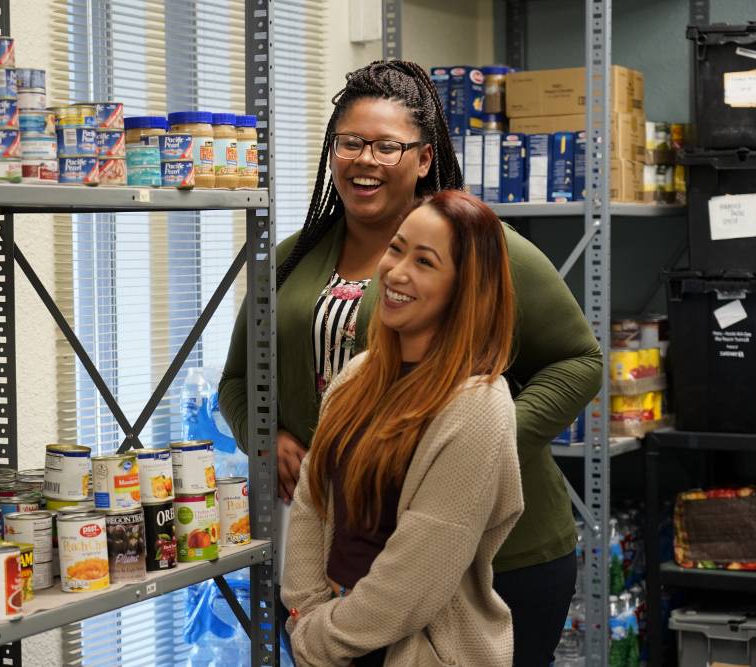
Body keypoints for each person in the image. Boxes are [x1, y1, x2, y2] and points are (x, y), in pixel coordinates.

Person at [219, 60, 603, 666]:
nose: (364, 159)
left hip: (495, 562)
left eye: (387, 146)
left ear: (424, 158)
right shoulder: (292, 258)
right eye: (351, 142)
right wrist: (265, 438)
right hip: (350, 552)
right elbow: (240, 380)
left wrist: (471, 454)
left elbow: (579, 361)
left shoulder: (481, 247)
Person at [283, 189, 522, 667]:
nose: (396, 272)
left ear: (465, 287)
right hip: (332, 635)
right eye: (396, 248)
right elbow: (312, 499)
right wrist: (304, 612)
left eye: (425, 262)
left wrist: (318, 640)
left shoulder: (478, 406)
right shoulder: (359, 376)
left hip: (417, 647)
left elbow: (416, 575)